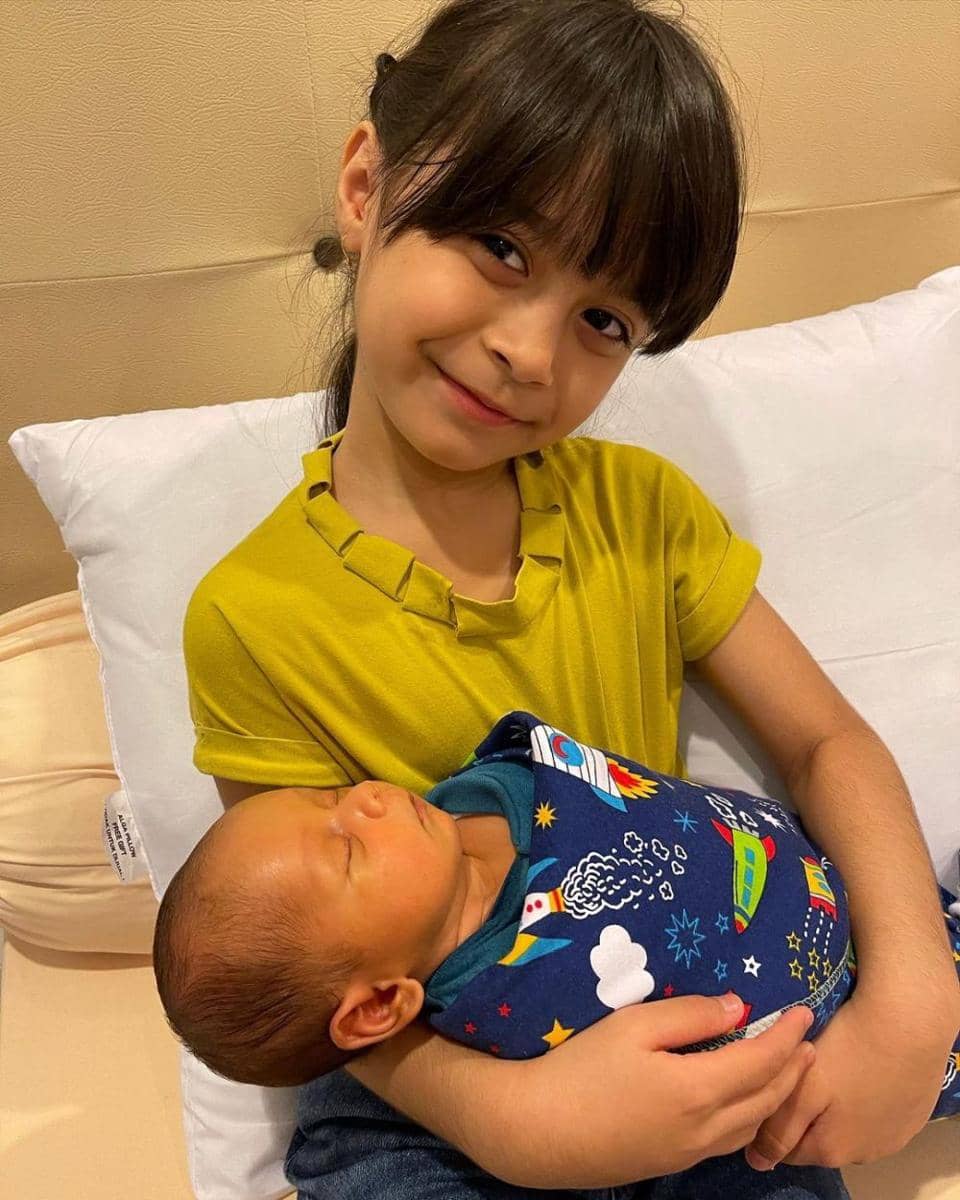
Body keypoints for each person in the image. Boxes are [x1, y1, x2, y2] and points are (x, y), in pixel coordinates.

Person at [180, 0, 960, 1195]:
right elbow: (310, 976)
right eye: (501, 247)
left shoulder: (638, 511)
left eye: (603, 321)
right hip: (439, 1076)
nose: (533, 354)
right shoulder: (250, 616)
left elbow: (825, 741)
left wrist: (911, 993)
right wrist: (515, 1118)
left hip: (697, 1008)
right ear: (365, 184)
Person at [152, 709, 960, 1126]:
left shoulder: (473, 792)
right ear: (378, 1006)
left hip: (870, 887)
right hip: (846, 1026)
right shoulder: (513, 1026)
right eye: (348, 852)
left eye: (328, 796)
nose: (365, 798)